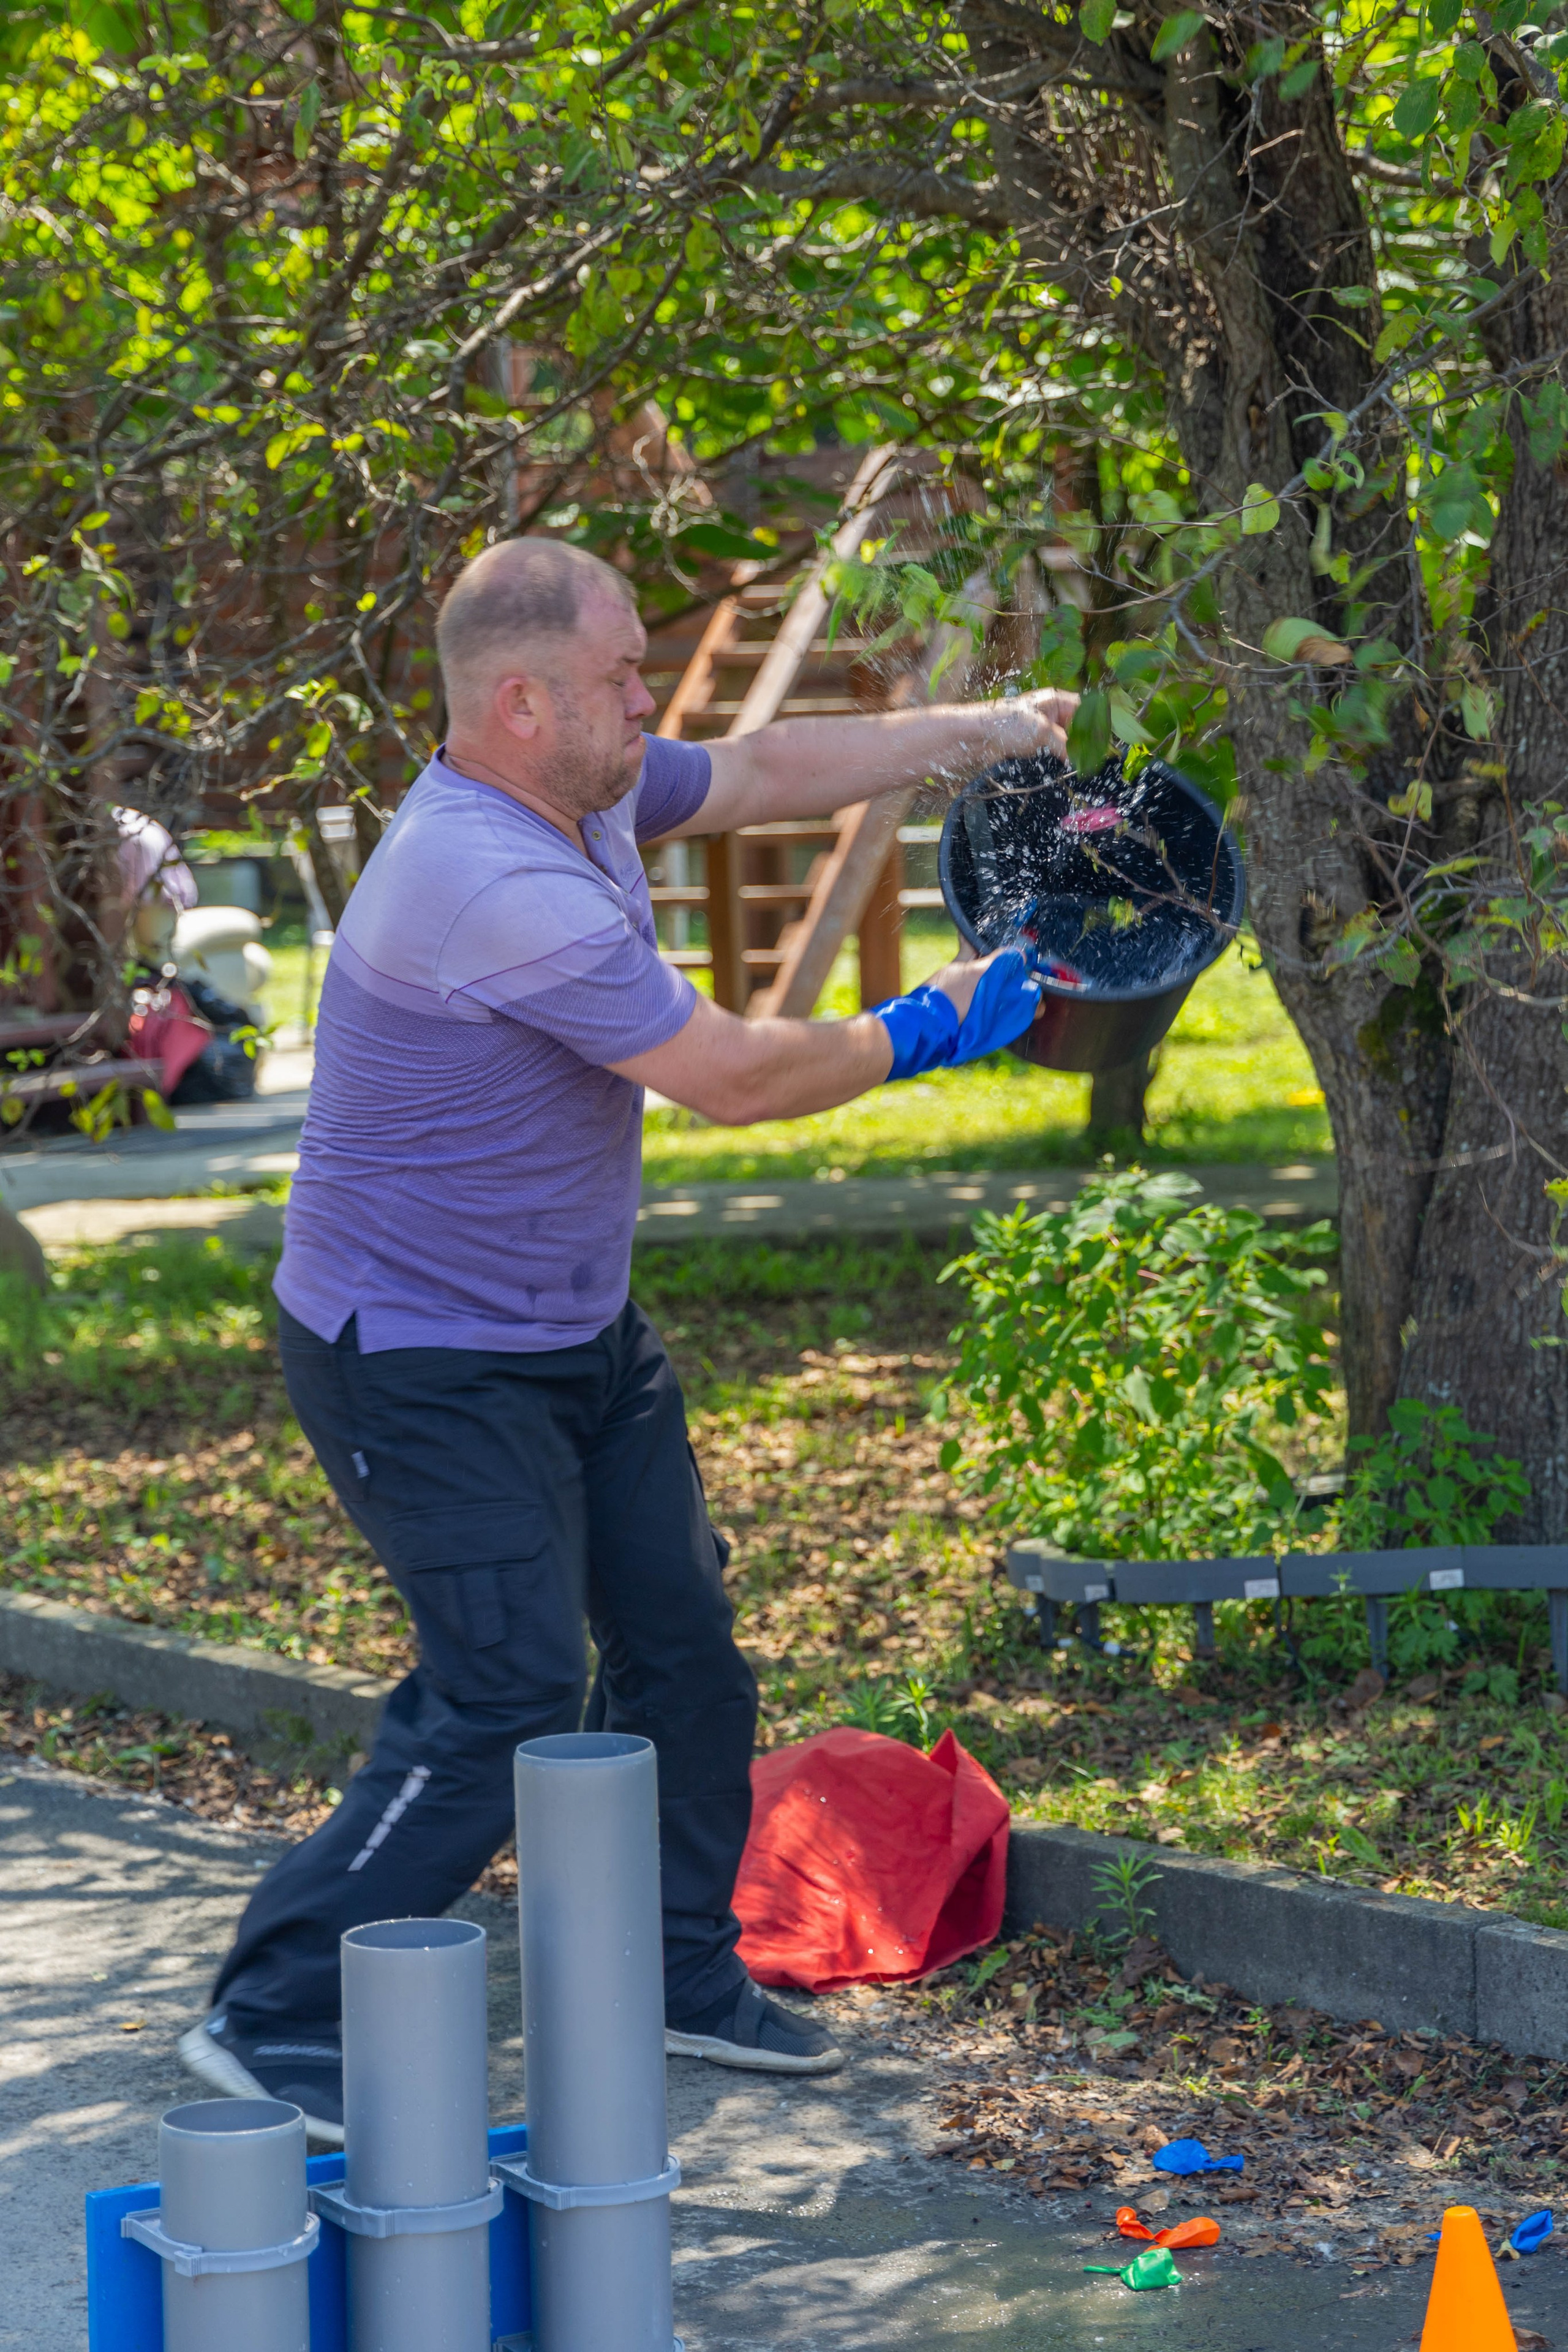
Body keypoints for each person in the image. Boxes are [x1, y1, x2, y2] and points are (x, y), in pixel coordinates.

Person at [181, 537, 1074, 2139]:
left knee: (684, 1655)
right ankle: (272, 2007)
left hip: (574, 1324)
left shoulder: (579, 792)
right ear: (520, 702)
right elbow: (728, 1074)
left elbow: (768, 766)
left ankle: (673, 1974)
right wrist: (929, 1024)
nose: (647, 702)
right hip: (417, 1356)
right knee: (507, 1684)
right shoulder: (490, 879)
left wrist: (985, 732)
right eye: (619, 680)